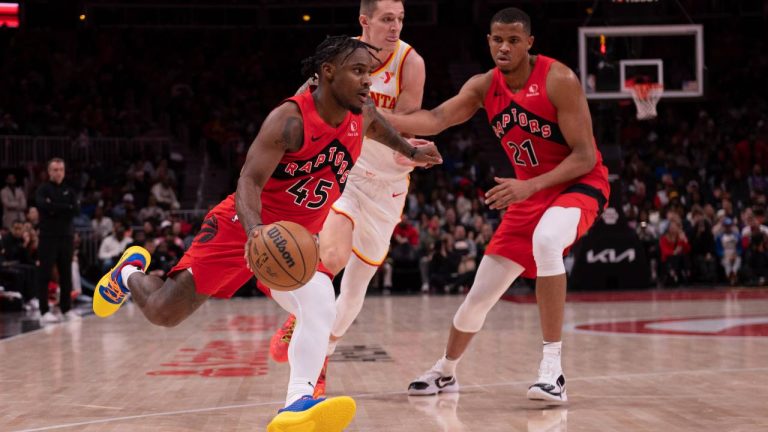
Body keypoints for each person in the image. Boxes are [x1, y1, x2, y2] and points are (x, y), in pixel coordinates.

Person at [91, 36, 441, 432]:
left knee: (321, 302)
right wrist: (256, 233)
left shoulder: (362, 111)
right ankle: (128, 273)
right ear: (328, 72)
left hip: (291, 240)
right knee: (164, 312)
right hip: (242, 227)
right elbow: (248, 181)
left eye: (370, 73)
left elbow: (379, 127)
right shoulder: (289, 120)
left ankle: (297, 402)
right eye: (358, 72)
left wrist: (411, 152)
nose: (368, 82)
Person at [385, 7, 609, 403]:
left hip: (577, 184)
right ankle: (446, 371)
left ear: (529, 43)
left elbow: (586, 156)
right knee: (479, 298)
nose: (504, 47)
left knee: (547, 241)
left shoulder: (559, 79)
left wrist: (531, 186)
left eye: (513, 40)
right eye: (497, 40)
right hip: (529, 193)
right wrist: (376, 117)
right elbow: (436, 119)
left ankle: (552, 371)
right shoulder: (482, 86)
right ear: (488, 41)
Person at [269, 0, 428, 394]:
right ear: (365, 21)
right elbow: (300, 103)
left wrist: (407, 145)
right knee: (333, 257)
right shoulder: (341, 56)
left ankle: (322, 348)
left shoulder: (411, 61)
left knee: (355, 293)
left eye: (400, 19)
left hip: (389, 185)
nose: (395, 27)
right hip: (348, 172)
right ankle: (310, 353)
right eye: (387, 19)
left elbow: (402, 119)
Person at [35, 158, 81, 324]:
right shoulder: (43, 189)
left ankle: (66, 308)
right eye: (55, 170)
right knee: (45, 273)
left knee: (66, 273)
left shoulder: (70, 190)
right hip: (48, 237)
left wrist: (55, 207)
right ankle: (44, 310)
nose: (58, 172)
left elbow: (75, 210)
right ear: (49, 172)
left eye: (61, 169)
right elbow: (43, 206)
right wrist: (64, 207)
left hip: (66, 237)